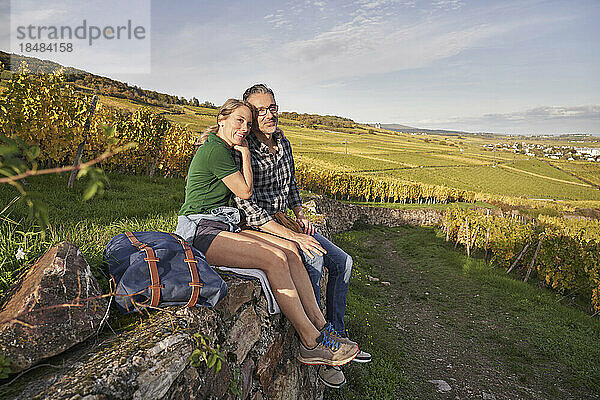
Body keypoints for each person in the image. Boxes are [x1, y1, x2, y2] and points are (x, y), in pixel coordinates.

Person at [175, 98, 358, 368]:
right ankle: (310, 343)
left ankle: (321, 327)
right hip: (200, 229)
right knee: (274, 259)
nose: (245, 127)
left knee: (291, 252)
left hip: (225, 223)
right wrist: (247, 153)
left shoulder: (228, 147)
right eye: (240, 120)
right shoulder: (216, 149)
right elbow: (245, 191)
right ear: (221, 119)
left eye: (248, 123)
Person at [231, 85, 371, 388]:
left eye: (272, 107)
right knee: (312, 262)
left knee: (343, 263)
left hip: (288, 220)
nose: (269, 114)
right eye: (260, 110)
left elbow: (292, 184)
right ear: (250, 116)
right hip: (263, 226)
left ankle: (337, 335)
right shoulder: (245, 149)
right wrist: (290, 235)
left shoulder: (283, 141)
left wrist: (300, 214)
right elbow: (247, 206)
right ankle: (318, 349)